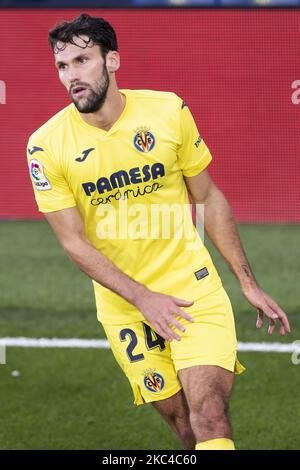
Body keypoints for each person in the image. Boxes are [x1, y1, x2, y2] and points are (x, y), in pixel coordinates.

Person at [27, 13, 291, 451]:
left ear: (112, 60)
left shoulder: (168, 110)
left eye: (82, 60)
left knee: (209, 413)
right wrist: (143, 299)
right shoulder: (44, 146)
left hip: (193, 289)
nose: (71, 75)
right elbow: (72, 241)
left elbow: (208, 196)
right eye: (62, 66)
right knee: (186, 427)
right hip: (125, 309)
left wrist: (247, 281)